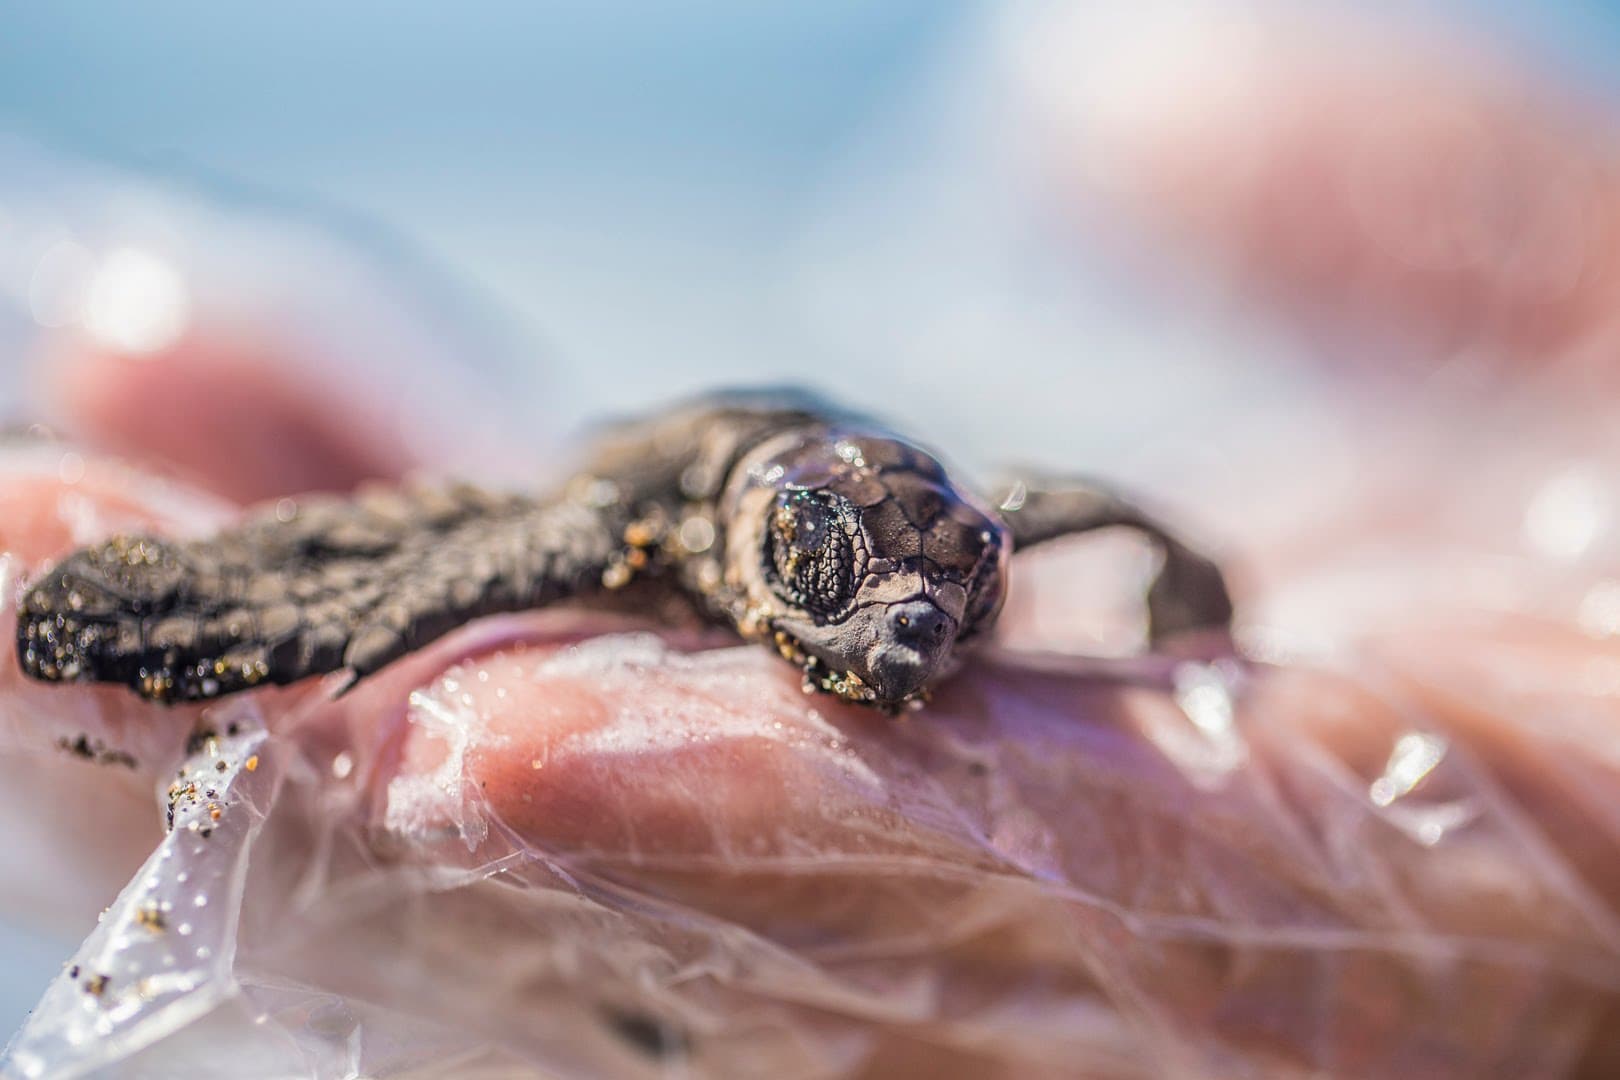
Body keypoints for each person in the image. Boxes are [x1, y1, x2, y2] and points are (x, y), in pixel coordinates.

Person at [5, 8, 1620, 1076]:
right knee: (363, 636)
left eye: (954, 599)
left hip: (861, 468)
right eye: (849, 595)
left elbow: (1125, 528)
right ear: (757, 556)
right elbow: (443, 566)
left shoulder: (974, 539)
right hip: (673, 465)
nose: (904, 643)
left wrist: (1196, 628)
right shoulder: (648, 520)